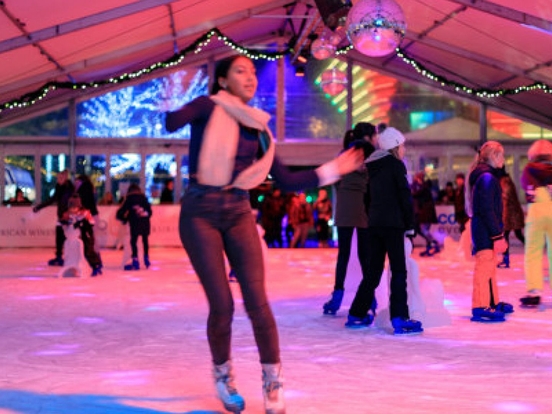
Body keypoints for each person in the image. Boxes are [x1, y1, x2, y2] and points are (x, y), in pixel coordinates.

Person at [164, 54, 363, 414]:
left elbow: (286, 180)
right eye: (241, 71)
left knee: (257, 302)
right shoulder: (207, 107)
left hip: (238, 210)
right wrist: (183, 101)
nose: (251, 76)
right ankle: (223, 375)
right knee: (222, 304)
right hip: (199, 212)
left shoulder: (258, 128)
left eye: (253, 71)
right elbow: (170, 122)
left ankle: (273, 382)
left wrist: (334, 169)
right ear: (223, 81)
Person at [346, 126, 423, 335]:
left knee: (373, 272)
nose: (404, 149)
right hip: (394, 225)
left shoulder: (373, 167)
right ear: (395, 147)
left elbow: (366, 198)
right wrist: (409, 226)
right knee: (399, 270)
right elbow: (404, 198)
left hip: (375, 225)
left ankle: (356, 313)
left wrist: (373, 217)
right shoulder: (396, 166)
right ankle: (400, 318)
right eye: (402, 145)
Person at [322, 124, 377, 316]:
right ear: (369, 137)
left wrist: (345, 191)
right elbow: (373, 182)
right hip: (362, 205)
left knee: (343, 255)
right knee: (365, 256)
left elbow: (335, 179)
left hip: (345, 205)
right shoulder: (372, 154)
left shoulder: (344, 154)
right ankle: (370, 298)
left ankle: (337, 297)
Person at [466, 141, 512, 322]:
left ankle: (492, 301)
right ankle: (480, 305)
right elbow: (487, 209)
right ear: (493, 156)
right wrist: (497, 235)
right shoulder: (486, 178)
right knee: (484, 267)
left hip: (484, 229)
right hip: (484, 230)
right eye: (502, 155)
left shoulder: (487, 176)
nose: (504, 159)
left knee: (490, 266)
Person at [520, 139, 552, 307]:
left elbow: (525, 187)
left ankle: (534, 291)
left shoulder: (529, 169)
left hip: (537, 209)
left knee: (533, 251)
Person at [32, 169, 75, 266]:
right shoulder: (59, 187)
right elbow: (53, 199)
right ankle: (59, 256)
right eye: (57, 178)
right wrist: (39, 207)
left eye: (60, 178)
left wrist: (66, 214)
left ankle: (69, 257)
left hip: (68, 216)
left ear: (65, 178)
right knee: (59, 236)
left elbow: (66, 202)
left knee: (68, 237)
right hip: (62, 216)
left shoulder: (68, 188)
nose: (58, 179)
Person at [59, 193, 103, 277]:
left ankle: (96, 265)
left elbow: (92, 222)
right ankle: (72, 264)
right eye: (71, 207)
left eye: (74, 207)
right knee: (76, 251)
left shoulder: (84, 213)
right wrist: (64, 222)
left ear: (79, 206)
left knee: (88, 251)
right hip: (74, 238)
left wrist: (83, 223)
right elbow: (61, 222)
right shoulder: (67, 214)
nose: (72, 210)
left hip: (86, 236)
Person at [116, 183, 152, 270]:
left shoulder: (129, 199)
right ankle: (146, 257)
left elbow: (120, 212)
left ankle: (135, 259)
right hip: (145, 223)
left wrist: (125, 219)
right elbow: (150, 212)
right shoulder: (144, 198)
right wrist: (145, 214)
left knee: (133, 241)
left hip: (134, 223)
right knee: (145, 240)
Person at [497, 167, 525, 268]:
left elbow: (506, 196)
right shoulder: (506, 180)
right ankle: (533, 251)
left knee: (506, 236)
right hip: (513, 213)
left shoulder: (504, 181)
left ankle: (506, 259)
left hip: (510, 214)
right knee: (516, 235)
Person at [75, 174, 103, 272]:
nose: (75, 184)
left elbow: (86, 204)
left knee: (90, 239)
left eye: (77, 182)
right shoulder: (89, 189)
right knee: (92, 238)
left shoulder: (83, 189)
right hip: (92, 215)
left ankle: (96, 261)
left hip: (88, 216)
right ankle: (97, 261)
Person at [411, 171, 439, 257]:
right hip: (423, 213)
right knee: (420, 230)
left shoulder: (424, 188)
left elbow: (415, 195)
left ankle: (434, 244)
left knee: (424, 230)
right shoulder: (422, 188)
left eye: (417, 178)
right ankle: (430, 246)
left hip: (425, 214)